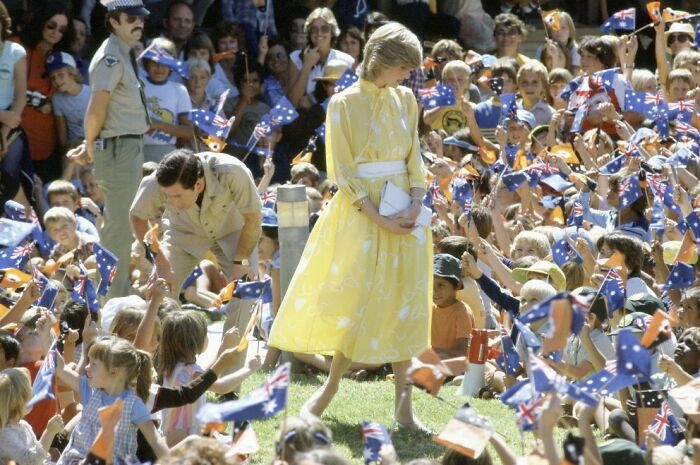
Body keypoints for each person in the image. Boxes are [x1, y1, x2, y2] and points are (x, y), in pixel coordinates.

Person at [268, 23, 430, 429]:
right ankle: (330, 388)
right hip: (362, 216)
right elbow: (342, 171)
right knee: (359, 302)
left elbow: (415, 157)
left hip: (404, 213)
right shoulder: (342, 103)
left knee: (405, 304)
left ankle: (403, 408)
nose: (405, 77)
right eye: (402, 68)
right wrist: (380, 219)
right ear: (384, 62)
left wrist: (415, 202)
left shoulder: (406, 99)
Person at [129, 149, 262, 371]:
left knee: (244, 294)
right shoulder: (156, 182)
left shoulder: (232, 172)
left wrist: (240, 263)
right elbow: (137, 216)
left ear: (198, 185)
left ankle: (225, 380)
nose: (170, 200)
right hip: (183, 233)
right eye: (167, 196)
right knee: (159, 291)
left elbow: (253, 219)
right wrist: (159, 260)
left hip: (234, 233)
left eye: (177, 196)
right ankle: (158, 371)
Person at [69, 0, 151, 300]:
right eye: (130, 18)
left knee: (122, 228)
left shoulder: (123, 52)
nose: (138, 23)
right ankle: (110, 301)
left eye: (140, 18)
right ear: (113, 21)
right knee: (118, 230)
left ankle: (115, 294)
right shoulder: (110, 57)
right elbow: (96, 107)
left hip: (126, 146)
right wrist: (88, 145)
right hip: (117, 148)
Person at [55, 335, 169, 463]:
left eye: (94, 364)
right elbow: (61, 369)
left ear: (113, 372)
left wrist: (173, 461)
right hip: (76, 460)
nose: (87, 367)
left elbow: (155, 439)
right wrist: (47, 335)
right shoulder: (90, 391)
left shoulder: (133, 405)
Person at [0, 367, 65, 465]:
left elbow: (40, 455)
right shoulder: (5, 434)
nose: (33, 393)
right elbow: (31, 462)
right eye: (29, 392)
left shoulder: (23, 425)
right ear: (16, 403)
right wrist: (49, 432)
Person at [0, 0, 30, 207]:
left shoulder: (15, 51)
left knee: (10, 177)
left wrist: (4, 131)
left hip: (11, 123)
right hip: (4, 116)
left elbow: (21, 96)